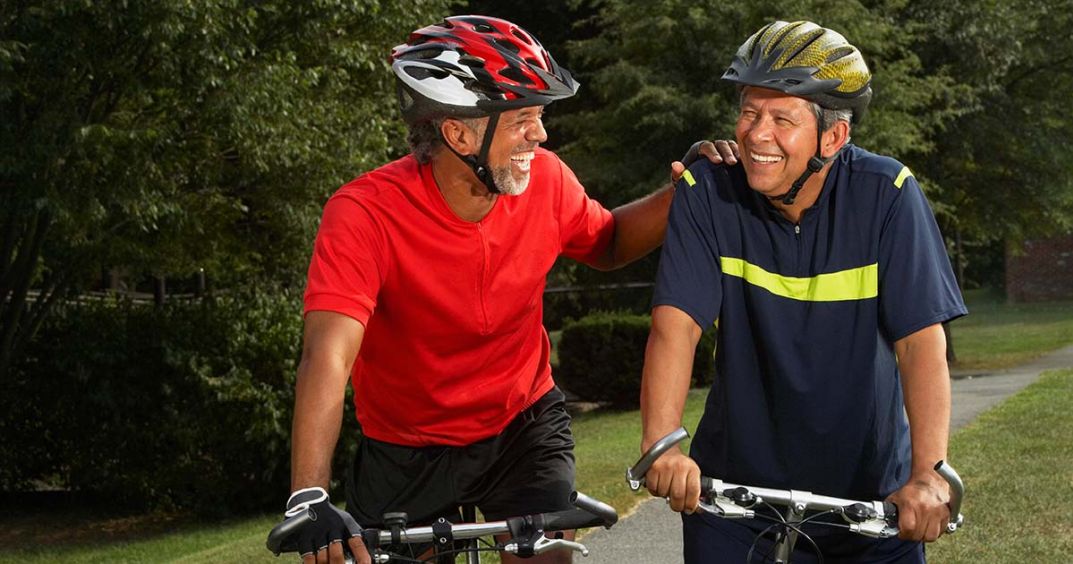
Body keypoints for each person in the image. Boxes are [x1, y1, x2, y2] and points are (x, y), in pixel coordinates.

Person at [278, 15, 735, 564]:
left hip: (523, 429)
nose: (540, 135)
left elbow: (608, 244)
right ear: (459, 133)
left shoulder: (544, 178)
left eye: (539, 118)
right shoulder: (363, 214)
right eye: (523, 120)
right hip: (406, 446)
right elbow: (327, 355)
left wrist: (685, 191)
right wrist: (309, 494)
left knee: (545, 558)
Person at [639, 20, 968, 563]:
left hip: (870, 498)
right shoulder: (706, 193)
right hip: (735, 501)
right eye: (748, 112)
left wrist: (929, 476)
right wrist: (664, 442)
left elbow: (919, 345)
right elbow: (676, 326)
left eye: (781, 119)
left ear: (833, 137)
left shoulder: (888, 196)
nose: (755, 134)